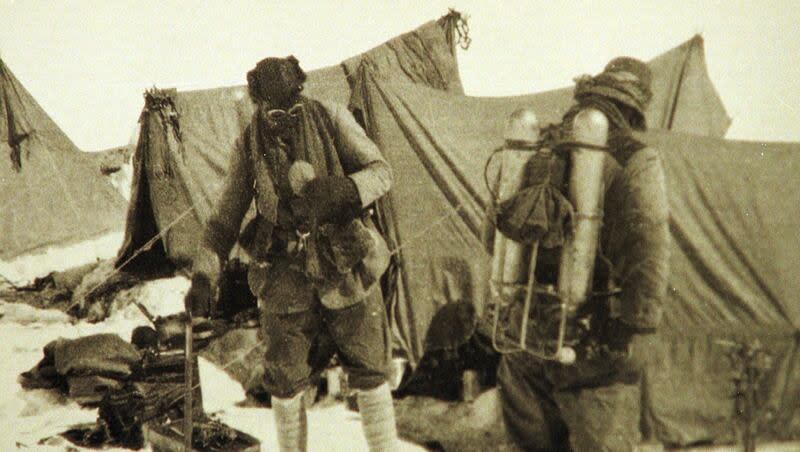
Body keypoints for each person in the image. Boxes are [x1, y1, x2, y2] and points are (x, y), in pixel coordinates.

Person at [187, 55, 398, 452]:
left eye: (291, 105)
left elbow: (381, 171)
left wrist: (347, 191)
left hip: (348, 267)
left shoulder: (331, 117)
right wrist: (203, 276)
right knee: (284, 385)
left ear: (301, 90)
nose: (283, 116)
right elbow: (221, 224)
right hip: (284, 281)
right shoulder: (248, 144)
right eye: (273, 109)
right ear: (258, 103)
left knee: (370, 373)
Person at [496, 57, 670, 451]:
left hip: (523, 338)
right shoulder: (637, 158)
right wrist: (630, 330)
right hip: (594, 352)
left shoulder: (537, 145)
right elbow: (650, 251)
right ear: (636, 105)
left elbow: (500, 227)